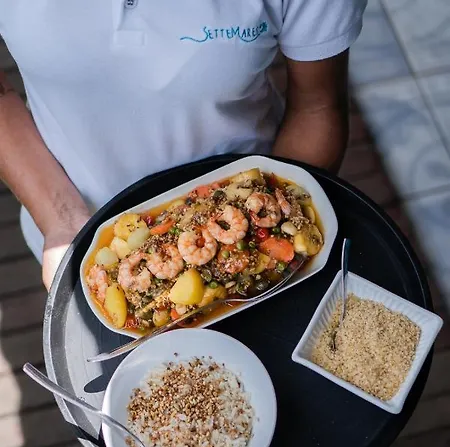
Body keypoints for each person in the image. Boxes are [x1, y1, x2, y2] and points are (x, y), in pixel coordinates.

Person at [0, 1, 367, 290]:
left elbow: (317, 105)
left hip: (256, 220)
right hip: (75, 229)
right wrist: (60, 219)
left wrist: (269, 242)